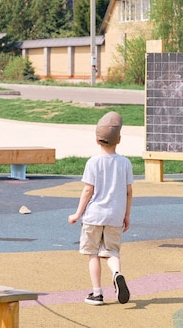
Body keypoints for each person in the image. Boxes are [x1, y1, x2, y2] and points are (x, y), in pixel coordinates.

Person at [68, 111, 133, 305]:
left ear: (97, 141)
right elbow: (129, 192)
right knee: (112, 252)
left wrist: (77, 214)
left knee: (93, 254)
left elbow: (88, 190)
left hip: (94, 216)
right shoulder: (125, 163)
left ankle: (97, 293)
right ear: (119, 140)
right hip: (115, 216)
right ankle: (117, 273)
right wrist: (126, 215)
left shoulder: (93, 162)